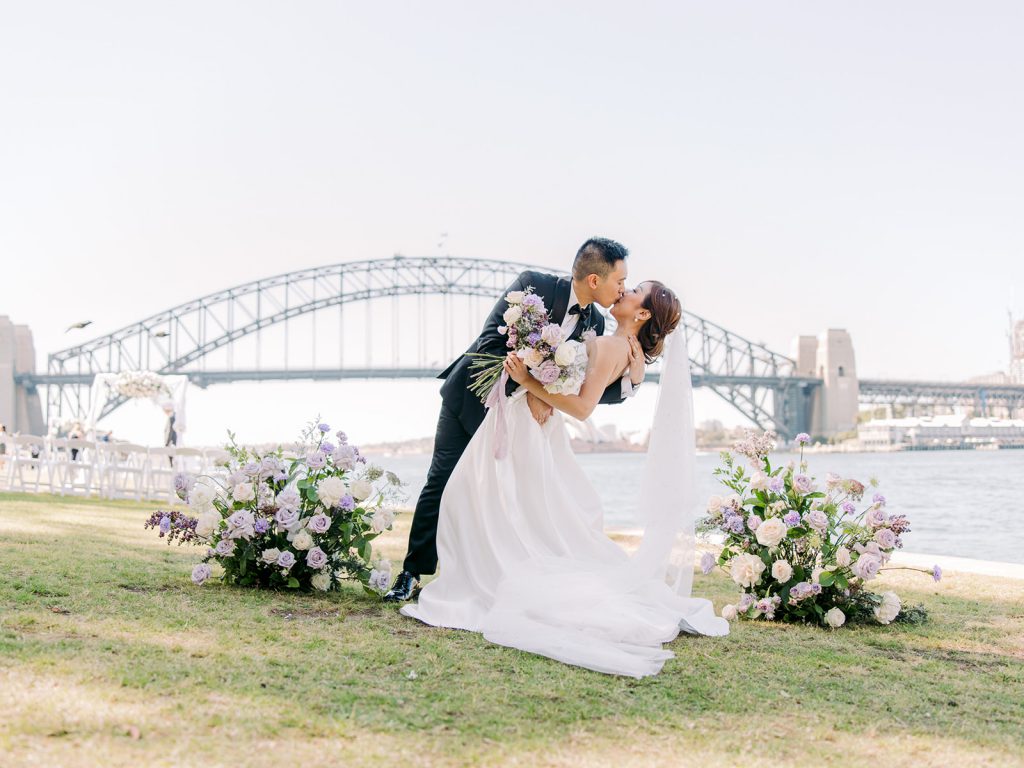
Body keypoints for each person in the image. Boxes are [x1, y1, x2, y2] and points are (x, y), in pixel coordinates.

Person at [400, 281, 728, 677]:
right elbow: (585, 383)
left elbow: (584, 407)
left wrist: (528, 381)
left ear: (642, 314)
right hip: (540, 427)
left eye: (635, 290)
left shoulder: (611, 345)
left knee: (479, 497)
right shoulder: (632, 353)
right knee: (527, 507)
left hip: (530, 421)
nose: (624, 291)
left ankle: (483, 572)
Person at [385, 237, 646, 602]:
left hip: (520, 419)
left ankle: (497, 580)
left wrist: (631, 383)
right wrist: (537, 381)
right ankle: (411, 575)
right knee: (441, 480)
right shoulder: (533, 286)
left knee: (515, 499)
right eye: (619, 281)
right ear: (593, 280)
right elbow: (492, 343)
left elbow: (586, 389)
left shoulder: (595, 325)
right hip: (473, 398)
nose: (622, 290)